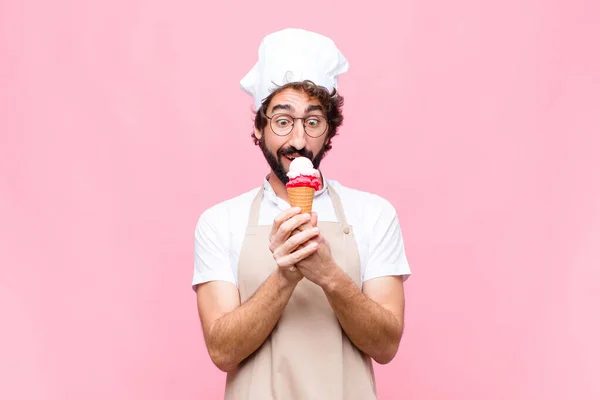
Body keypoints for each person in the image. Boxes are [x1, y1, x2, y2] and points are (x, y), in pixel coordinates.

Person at [192, 28, 411, 399]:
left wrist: (328, 275)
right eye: (282, 120)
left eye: (312, 122)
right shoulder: (219, 222)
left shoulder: (374, 214)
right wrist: (285, 276)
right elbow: (222, 351)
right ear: (260, 129)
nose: (298, 141)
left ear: (328, 131)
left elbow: (386, 345)